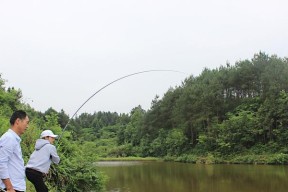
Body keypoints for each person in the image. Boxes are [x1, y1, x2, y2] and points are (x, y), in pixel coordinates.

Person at [0, 110, 30, 192]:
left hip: (16, 187)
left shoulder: (13, 139)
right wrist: (9, 187)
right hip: (11, 188)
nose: (27, 126)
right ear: (18, 121)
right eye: (27, 122)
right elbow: (1, 162)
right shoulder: (9, 138)